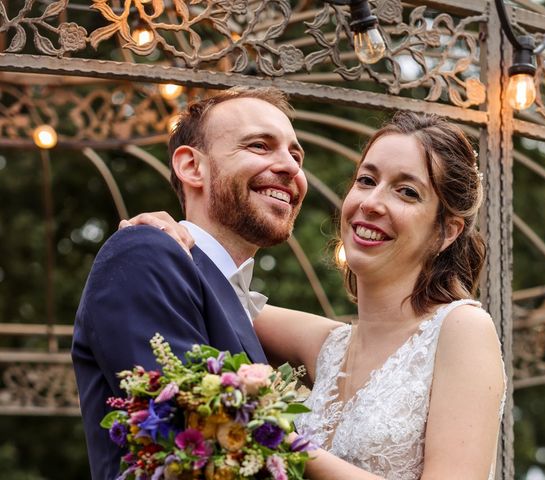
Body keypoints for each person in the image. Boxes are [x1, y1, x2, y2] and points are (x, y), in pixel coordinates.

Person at [127, 112, 506, 479]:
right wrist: (172, 240)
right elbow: (218, 295)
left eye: (406, 192)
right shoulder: (329, 345)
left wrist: (281, 439)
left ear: (447, 231)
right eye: (366, 180)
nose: (371, 202)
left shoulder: (462, 329)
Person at [71, 86, 308, 479]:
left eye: (296, 155)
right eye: (260, 146)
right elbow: (203, 450)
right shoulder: (147, 252)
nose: (290, 167)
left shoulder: (235, 300)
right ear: (192, 167)